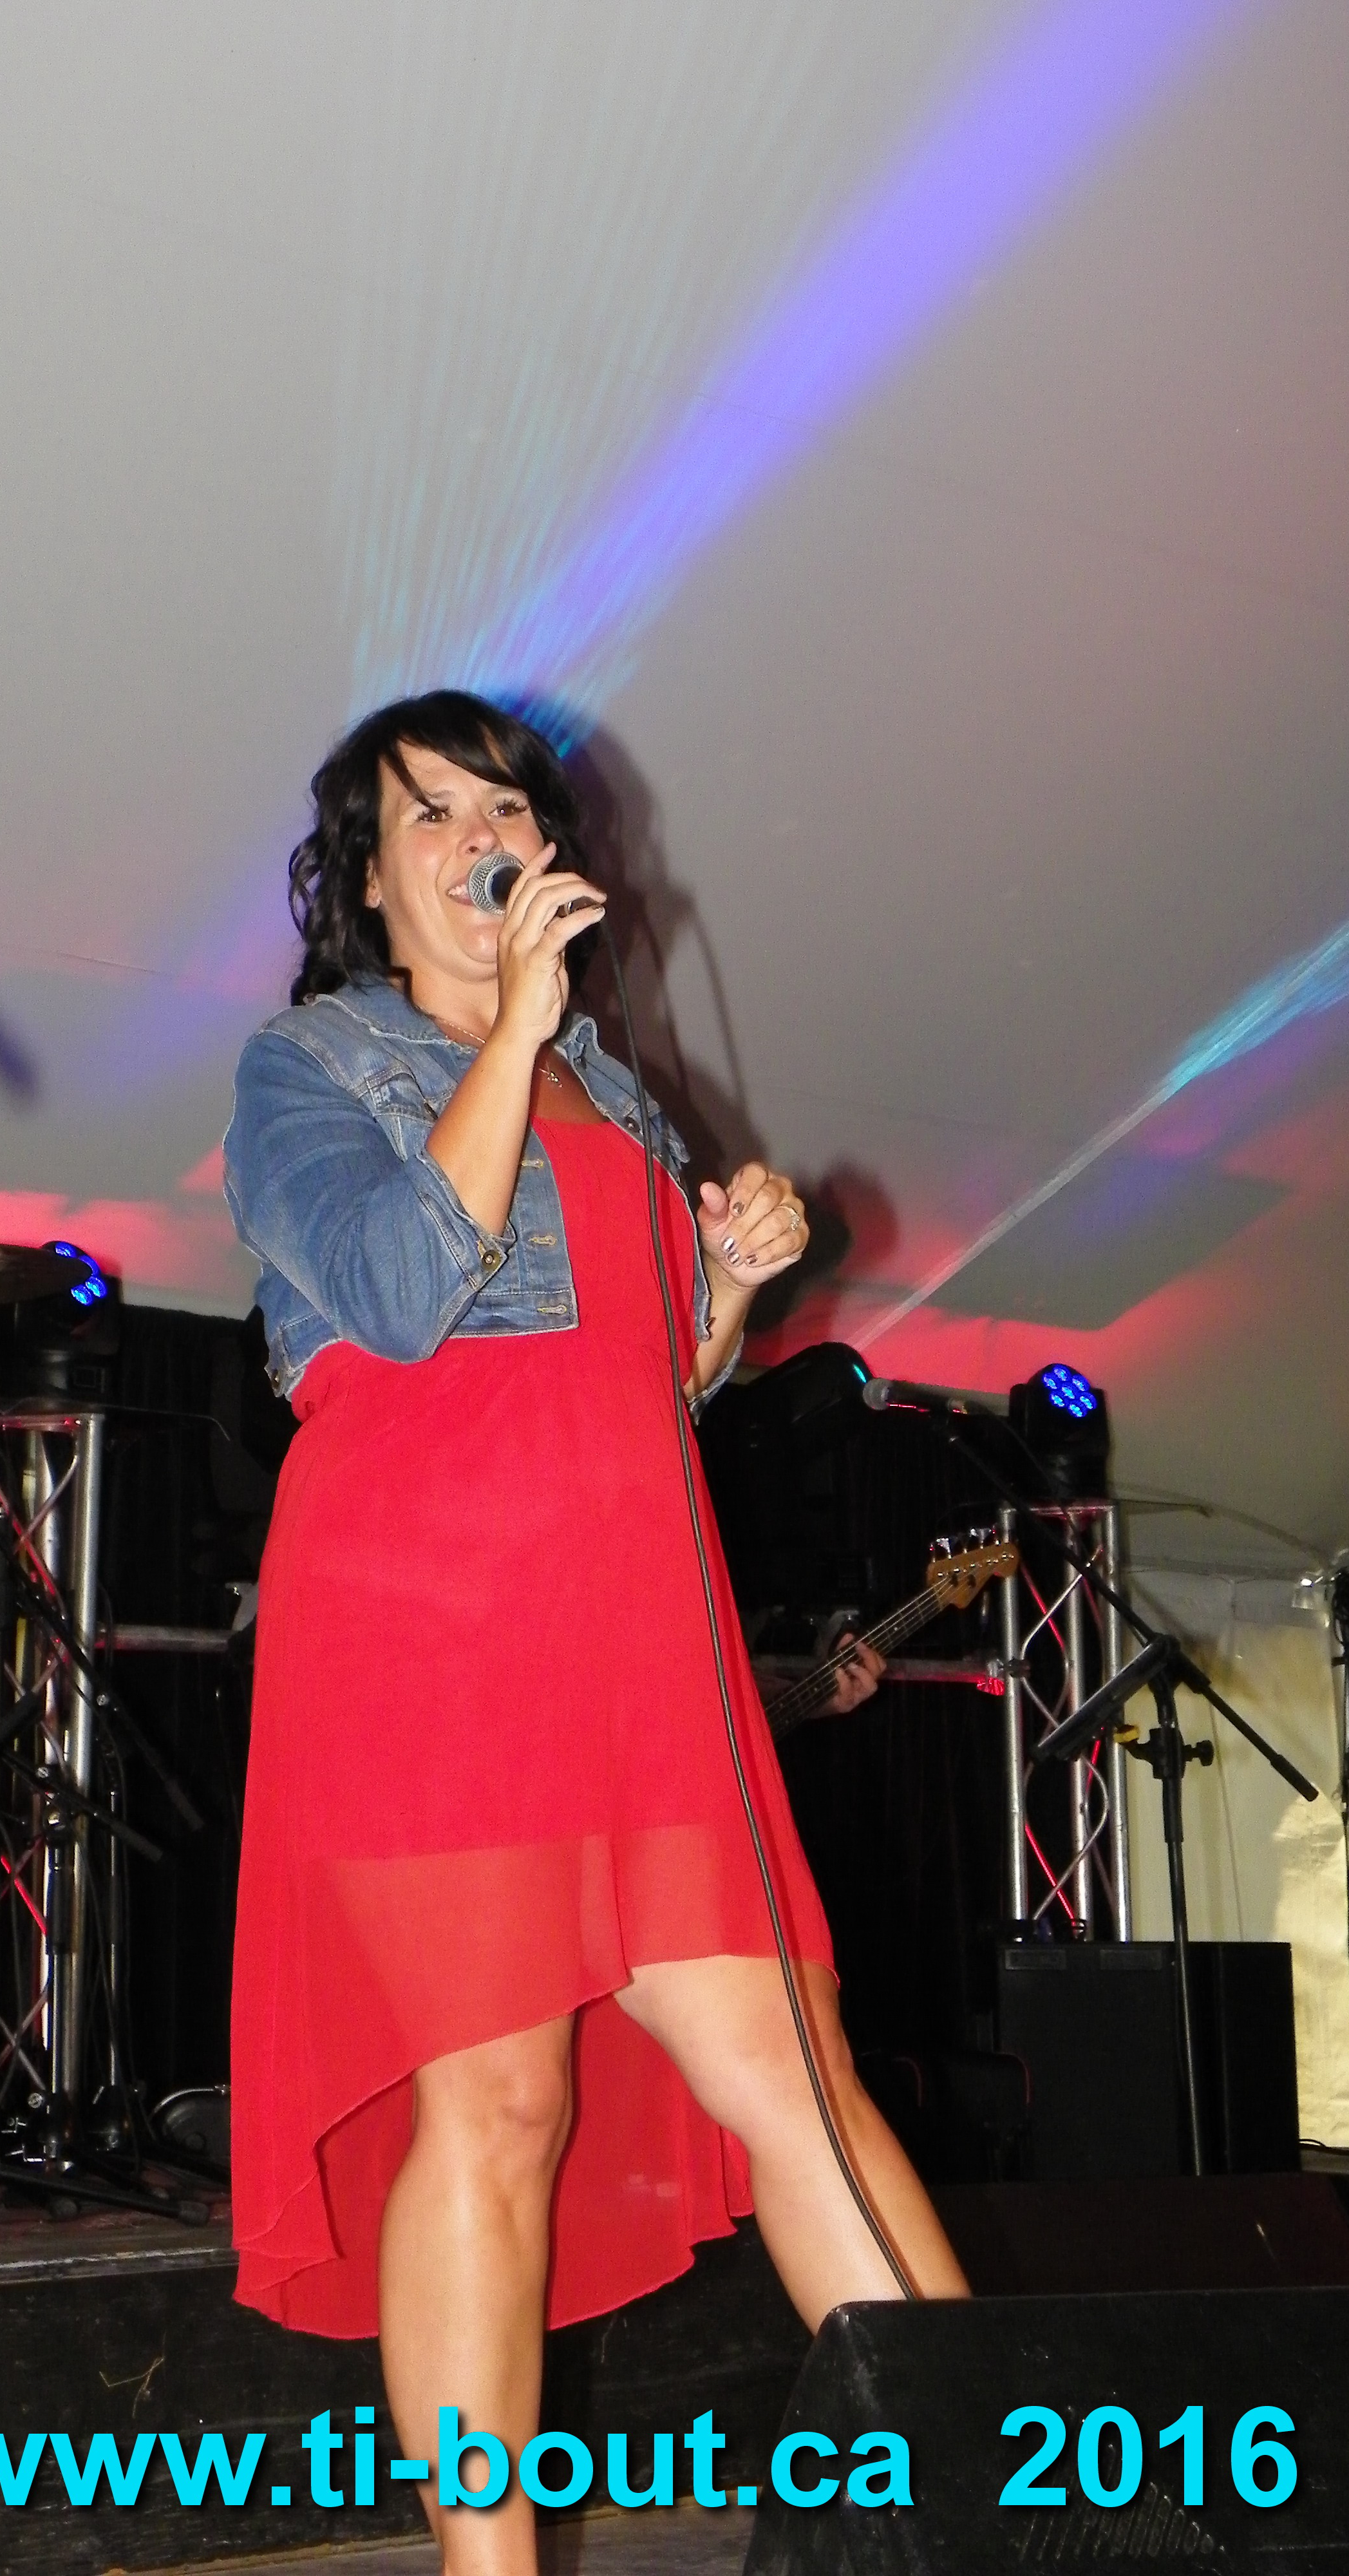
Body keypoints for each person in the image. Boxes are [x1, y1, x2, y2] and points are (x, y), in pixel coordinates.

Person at [222, 691, 965, 2575]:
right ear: (369, 882)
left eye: (504, 809)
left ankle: (996, 2506)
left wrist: (729, 1289)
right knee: (500, 2097)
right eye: (430, 814)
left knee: (793, 2062)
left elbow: (649, 1381)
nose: (479, 839)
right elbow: (401, 1295)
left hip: (635, 1614)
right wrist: (511, 1034)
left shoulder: (619, 1093)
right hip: (424, 1616)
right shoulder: (311, 1067)